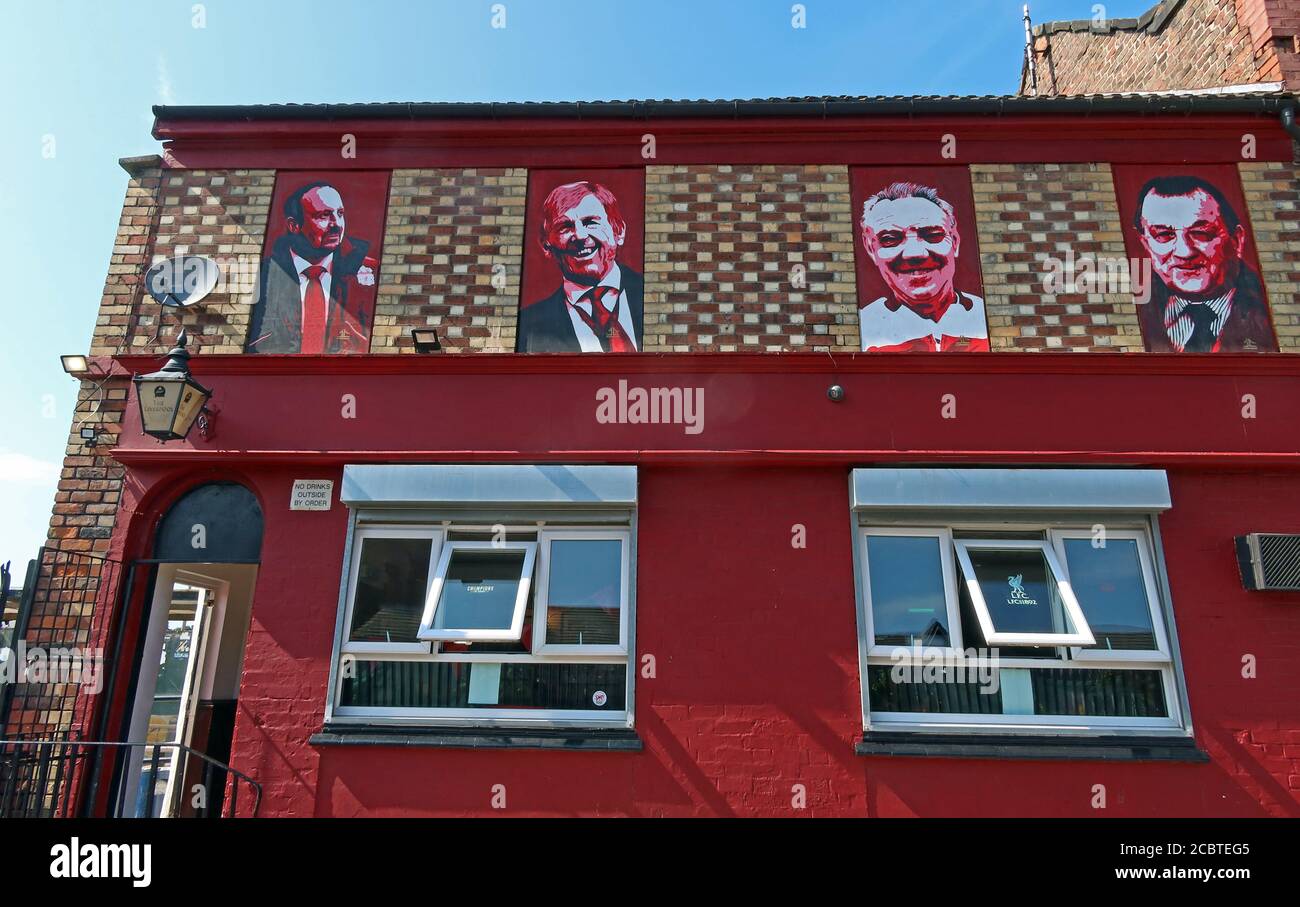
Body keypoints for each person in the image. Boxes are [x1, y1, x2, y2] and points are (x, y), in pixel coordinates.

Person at [1132, 175, 1277, 352]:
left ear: (1237, 240)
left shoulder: (1270, 303)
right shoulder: (1135, 308)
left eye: (1202, 233)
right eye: (1163, 235)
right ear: (1145, 243)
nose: (1184, 252)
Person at [246, 181, 377, 353]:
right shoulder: (264, 276)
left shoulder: (367, 272)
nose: (337, 224)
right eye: (324, 215)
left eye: (340, 213)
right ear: (294, 225)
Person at [858, 181, 988, 352]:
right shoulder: (863, 324)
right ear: (870, 249)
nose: (915, 253)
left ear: (955, 242)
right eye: (890, 239)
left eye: (932, 235)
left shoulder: (986, 316)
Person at [516, 180, 643, 353]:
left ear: (618, 231)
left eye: (590, 222)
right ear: (546, 246)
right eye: (565, 227)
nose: (580, 235)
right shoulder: (528, 326)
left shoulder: (654, 294)